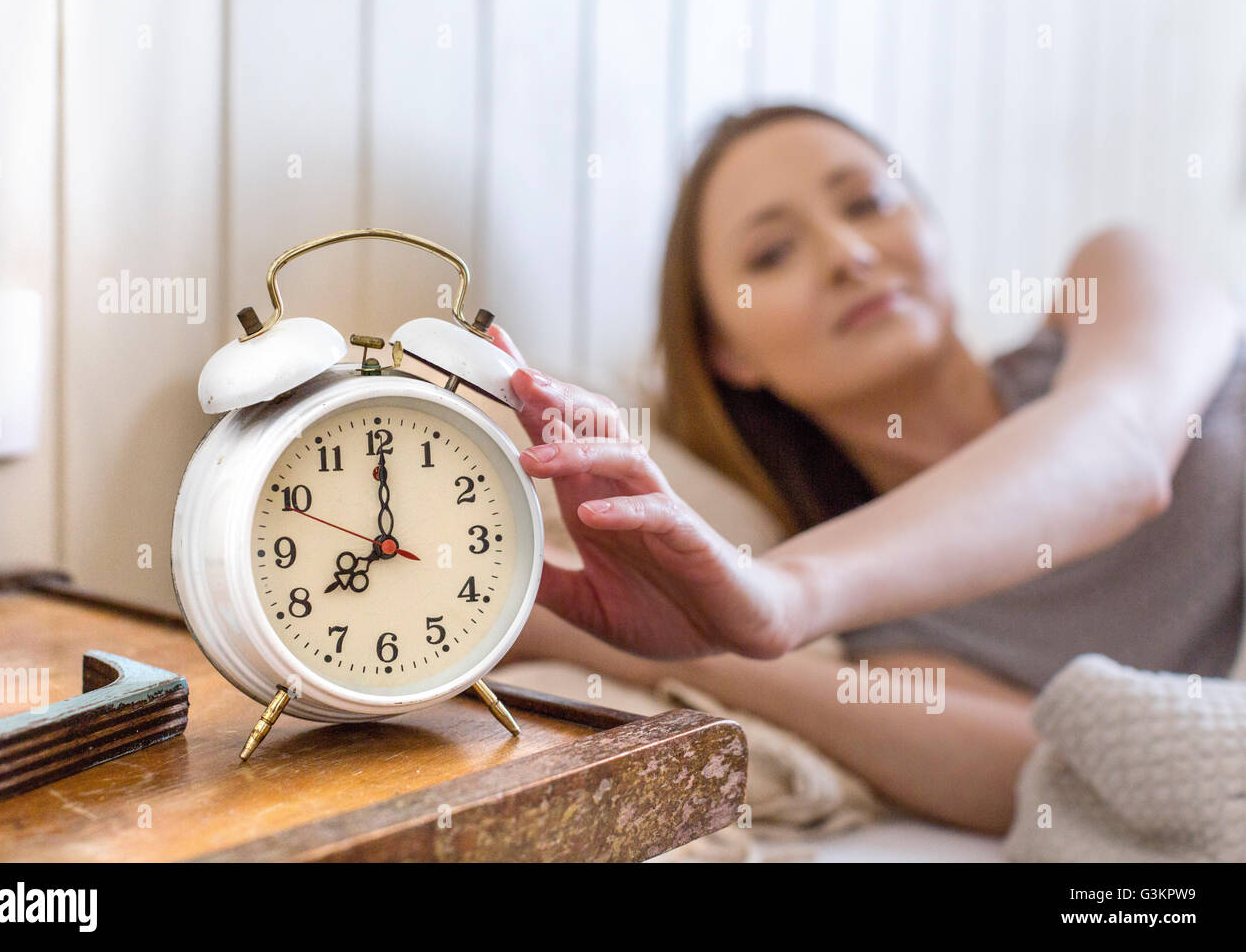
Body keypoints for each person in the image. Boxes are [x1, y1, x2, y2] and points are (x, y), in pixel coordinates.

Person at [490, 104, 1245, 834]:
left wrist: (784, 594)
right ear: (730, 354)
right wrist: (659, 641)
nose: (849, 255)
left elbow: (1122, 452)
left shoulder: (1116, 278)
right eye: (772, 254)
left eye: (870, 202)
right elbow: (1053, 770)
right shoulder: (884, 621)